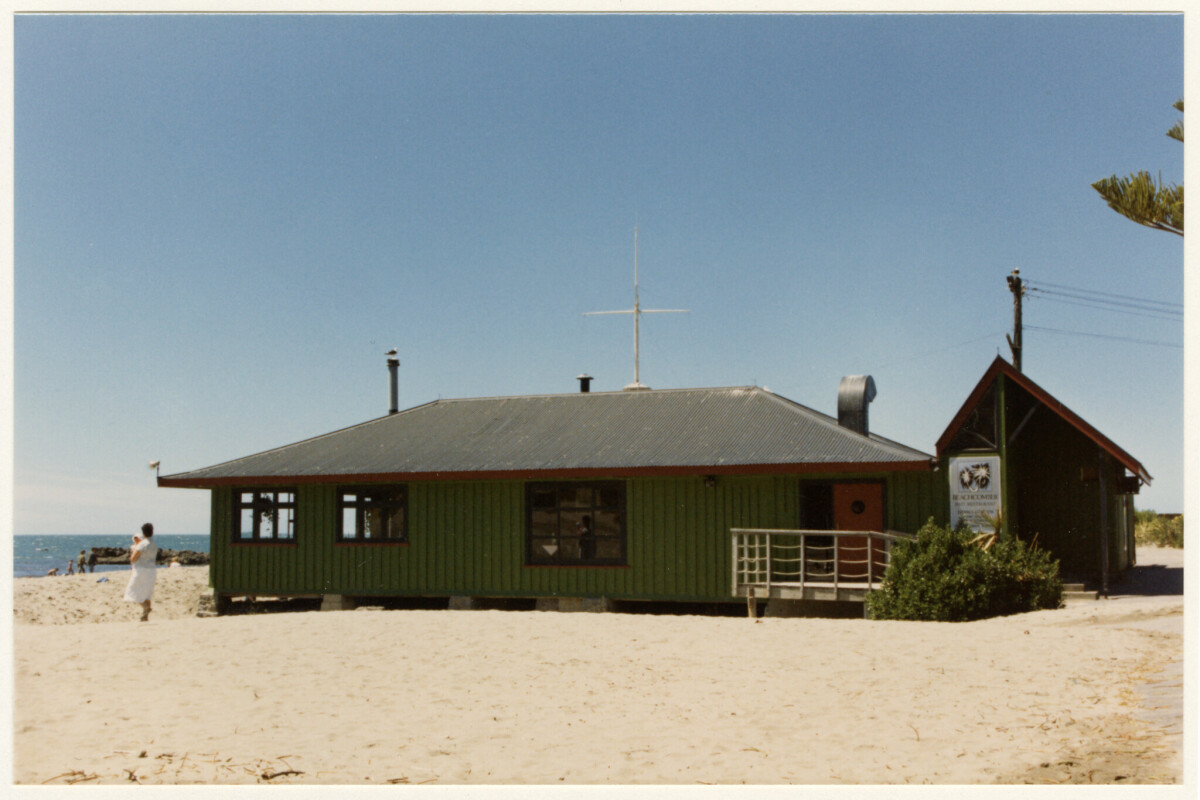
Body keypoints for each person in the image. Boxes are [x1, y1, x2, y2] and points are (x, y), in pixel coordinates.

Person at [124, 523, 159, 622]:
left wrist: (132, 557)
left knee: (132, 591)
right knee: (147, 593)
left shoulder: (142, 544)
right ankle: (145, 616)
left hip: (140, 570)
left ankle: (145, 608)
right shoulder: (154, 544)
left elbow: (133, 558)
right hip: (151, 570)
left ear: (143, 533)